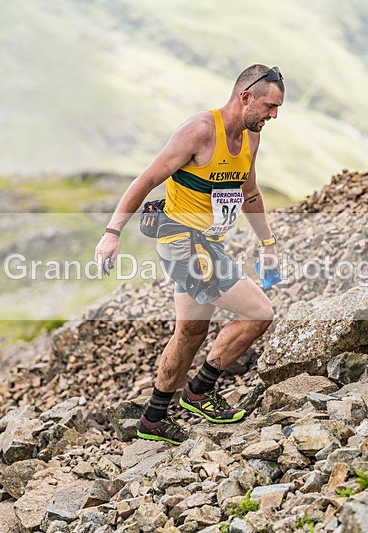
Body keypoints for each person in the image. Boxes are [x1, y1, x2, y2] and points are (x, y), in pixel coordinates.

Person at [95, 64, 284, 444]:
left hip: (209, 243)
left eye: (278, 108)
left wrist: (267, 244)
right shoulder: (199, 131)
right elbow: (147, 179)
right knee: (260, 312)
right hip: (181, 242)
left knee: (192, 331)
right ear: (244, 96)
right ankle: (200, 391)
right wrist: (112, 232)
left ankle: (154, 419)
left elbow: (250, 193)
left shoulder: (250, 138)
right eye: (269, 106)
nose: (273, 115)